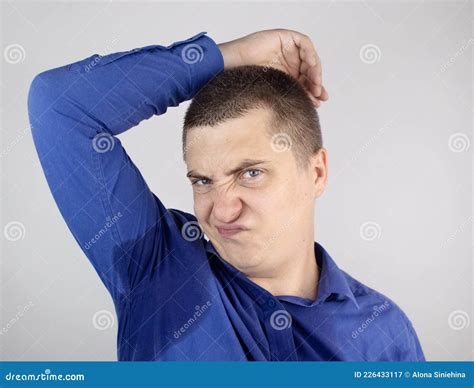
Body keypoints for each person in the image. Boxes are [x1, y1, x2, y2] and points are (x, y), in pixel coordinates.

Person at [27, 29, 425, 361]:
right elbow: (59, 105)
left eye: (251, 173)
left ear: (316, 173)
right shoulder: (155, 266)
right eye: (203, 181)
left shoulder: (385, 334)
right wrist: (228, 56)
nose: (222, 209)